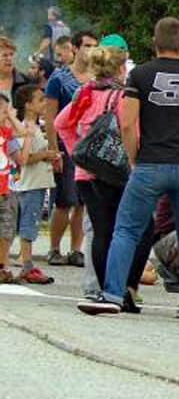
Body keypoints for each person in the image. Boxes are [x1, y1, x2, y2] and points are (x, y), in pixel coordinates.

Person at [78, 17, 179, 321]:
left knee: (126, 230)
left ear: (154, 43)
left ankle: (113, 294)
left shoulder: (140, 75)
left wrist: (133, 158)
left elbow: (128, 122)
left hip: (149, 163)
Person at [57, 43, 154, 314]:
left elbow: (60, 124)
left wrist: (78, 150)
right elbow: (132, 130)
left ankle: (105, 291)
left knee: (102, 230)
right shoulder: (124, 97)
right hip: (118, 172)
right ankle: (126, 287)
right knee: (143, 227)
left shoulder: (83, 93)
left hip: (86, 173)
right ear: (122, 67)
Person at [43, 27, 98, 266]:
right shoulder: (59, 78)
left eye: (94, 46)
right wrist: (54, 150)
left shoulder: (97, 79)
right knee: (64, 201)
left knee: (83, 203)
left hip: (89, 148)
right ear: (75, 48)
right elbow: (50, 116)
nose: (91, 50)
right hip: (66, 147)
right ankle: (54, 248)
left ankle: (76, 249)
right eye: (86, 45)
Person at [11, 83, 57, 284]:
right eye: (40, 99)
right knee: (28, 225)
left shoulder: (35, 126)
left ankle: (25, 263)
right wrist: (45, 154)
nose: (44, 102)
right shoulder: (25, 128)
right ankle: (27, 265)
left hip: (35, 183)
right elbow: (25, 157)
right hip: (30, 185)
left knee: (28, 224)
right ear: (28, 105)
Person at [0, 93, 22, 282]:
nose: (5, 115)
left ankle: (3, 265)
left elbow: (22, 133)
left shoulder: (7, 134)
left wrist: (11, 117)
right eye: (3, 110)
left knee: (6, 228)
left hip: (6, 187)